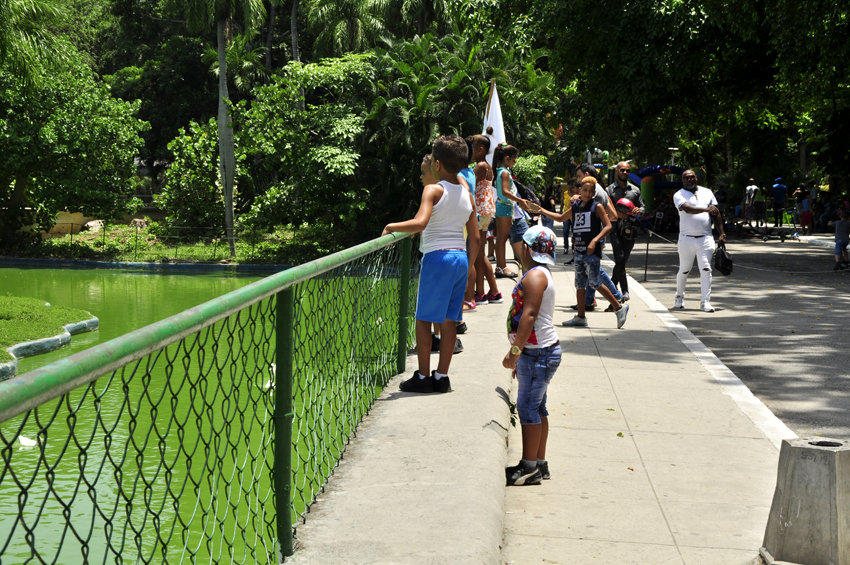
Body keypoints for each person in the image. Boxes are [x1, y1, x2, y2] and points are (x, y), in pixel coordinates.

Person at [382, 134, 478, 394]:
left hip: (438, 258)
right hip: (460, 257)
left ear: (436, 164)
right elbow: (476, 236)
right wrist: (469, 267)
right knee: (449, 321)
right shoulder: (467, 195)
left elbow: (420, 223)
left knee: (423, 319)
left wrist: (390, 226)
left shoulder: (433, 189)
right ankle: (441, 376)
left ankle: (423, 376)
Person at [503, 225, 561, 486]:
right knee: (537, 407)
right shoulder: (539, 273)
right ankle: (538, 462)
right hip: (538, 352)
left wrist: (515, 353)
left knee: (528, 408)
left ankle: (529, 468)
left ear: (526, 248)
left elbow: (529, 315)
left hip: (537, 353)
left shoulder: (535, 277)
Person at [553, 177, 629, 328]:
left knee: (594, 282)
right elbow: (561, 218)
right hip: (579, 251)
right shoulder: (575, 207)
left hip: (591, 251)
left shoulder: (597, 206)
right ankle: (581, 317)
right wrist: (541, 210)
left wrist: (595, 241)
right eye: (585, 190)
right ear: (579, 190)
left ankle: (619, 308)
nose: (587, 193)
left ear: (594, 193)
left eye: (590, 191)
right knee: (580, 284)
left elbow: (608, 226)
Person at [673, 170, 726, 312]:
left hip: (706, 238)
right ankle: (679, 297)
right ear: (682, 180)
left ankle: (705, 302)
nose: (689, 180)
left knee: (706, 268)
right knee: (684, 270)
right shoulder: (678, 195)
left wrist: (722, 233)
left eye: (692, 177)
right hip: (686, 239)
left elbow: (716, 213)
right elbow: (687, 209)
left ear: (696, 178)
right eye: (686, 178)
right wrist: (706, 209)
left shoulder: (707, 192)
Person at [571, 163, 622, 310]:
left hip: (591, 240)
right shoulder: (601, 191)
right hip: (587, 241)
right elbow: (613, 215)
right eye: (583, 190)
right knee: (589, 276)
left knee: (595, 276)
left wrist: (595, 235)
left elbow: (609, 220)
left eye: (580, 176)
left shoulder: (594, 195)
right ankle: (588, 302)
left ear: (587, 175)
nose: (579, 180)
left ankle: (615, 299)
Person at [470, 131, 503, 306]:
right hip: (487, 211)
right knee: (480, 253)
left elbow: (470, 185)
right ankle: (493, 291)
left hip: (480, 211)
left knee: (476, 254)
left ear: (480, 149)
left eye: (471, 146)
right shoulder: (487, 165)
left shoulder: (480, 166)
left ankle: (481, 293)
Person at [605, 161, 644, 303]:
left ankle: (612, 284)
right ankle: (625, 290)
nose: (625, 173)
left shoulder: (635, 190)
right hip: (615, 228)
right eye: (622, 170)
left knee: (623, 259)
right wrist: (615, 214)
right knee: (620, 257)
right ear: (617, 171)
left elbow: (642, 206)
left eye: (627, 170)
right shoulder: (608, 190)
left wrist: (640, 210)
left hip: (631, 229)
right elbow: (603, 209)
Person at [493, 143, 529, 279]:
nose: (515, 162)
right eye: (514, 159)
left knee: (501, 238)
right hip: (505, 207)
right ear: (508, 158)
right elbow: (505, 191)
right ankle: (501, 267)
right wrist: (520, 200)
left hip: (502, 206)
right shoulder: (505, 172)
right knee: (502, 239)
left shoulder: (499, 171)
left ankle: (500, 266)